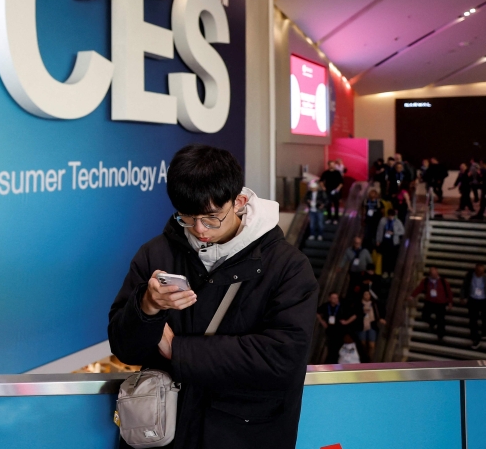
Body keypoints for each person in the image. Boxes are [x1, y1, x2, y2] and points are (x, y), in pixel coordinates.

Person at [108, 144, 317, 449]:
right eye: (187, 218)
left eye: (211, 217)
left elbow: (282, 360)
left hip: (244, 436)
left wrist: (175, 349)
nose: (200, 229)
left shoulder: (288, 267)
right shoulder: (155, 254)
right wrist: (147, 307)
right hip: (161, 436)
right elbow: (124, 348)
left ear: (239, 201)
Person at [411, 267, 453, 342]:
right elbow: (419, 288)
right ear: (430, 274)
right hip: (429, 302)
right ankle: (433, 322)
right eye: (434, 274)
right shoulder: (426, 281)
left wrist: (450, 302)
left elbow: (449, 291)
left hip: (440, 303)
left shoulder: (443, 281)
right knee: (424, 316)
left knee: (441, 319)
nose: (436, 276)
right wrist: (412, 296)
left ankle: (440, 335)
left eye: (436, 274)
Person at [317, 292, 348, 364]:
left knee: (337, 347)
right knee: (330, 346)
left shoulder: (342, 306)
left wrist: (346, 322)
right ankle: (329, 362)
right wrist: (322, 321)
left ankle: (335, 362)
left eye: (336, 298)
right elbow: (317, 312)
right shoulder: (326, 305)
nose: (335, 299)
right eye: (333, 298)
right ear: (329, 298)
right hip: (330, 329)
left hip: (340, 329)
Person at [461, 262, 486, 349]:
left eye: (482, 272)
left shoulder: (485, 277)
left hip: (483, 300)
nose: (481, 273)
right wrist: (463, 297)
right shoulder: (469, 276)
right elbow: (464, 286)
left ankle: (484, 332)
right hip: (473, 300)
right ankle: (475, 338)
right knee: (473, 320)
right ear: (476, 270)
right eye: (479, 272)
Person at [375, 209, 404, 277]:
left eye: (392, 216)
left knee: (392, 258)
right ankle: (385, 271)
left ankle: (391, 271)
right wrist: (378, 240)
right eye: (389, 216)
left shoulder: (397, 222)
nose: (390, 217)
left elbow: (402, 231)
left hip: (393, 242)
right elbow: (379, 231)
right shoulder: (383, 220)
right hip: (385, 241)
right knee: (385, 257)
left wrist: (394, 233)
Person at [356, 290, 384, 362]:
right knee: (363, 344)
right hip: (362, 325)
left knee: (371, 345)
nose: (367, 296)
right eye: (365, 294)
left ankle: (369, 360)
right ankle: (362, 359)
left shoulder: (374, 304)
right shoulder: (359, 304)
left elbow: (379, 312)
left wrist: (380, 319)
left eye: (368, 295)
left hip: (372, 325)